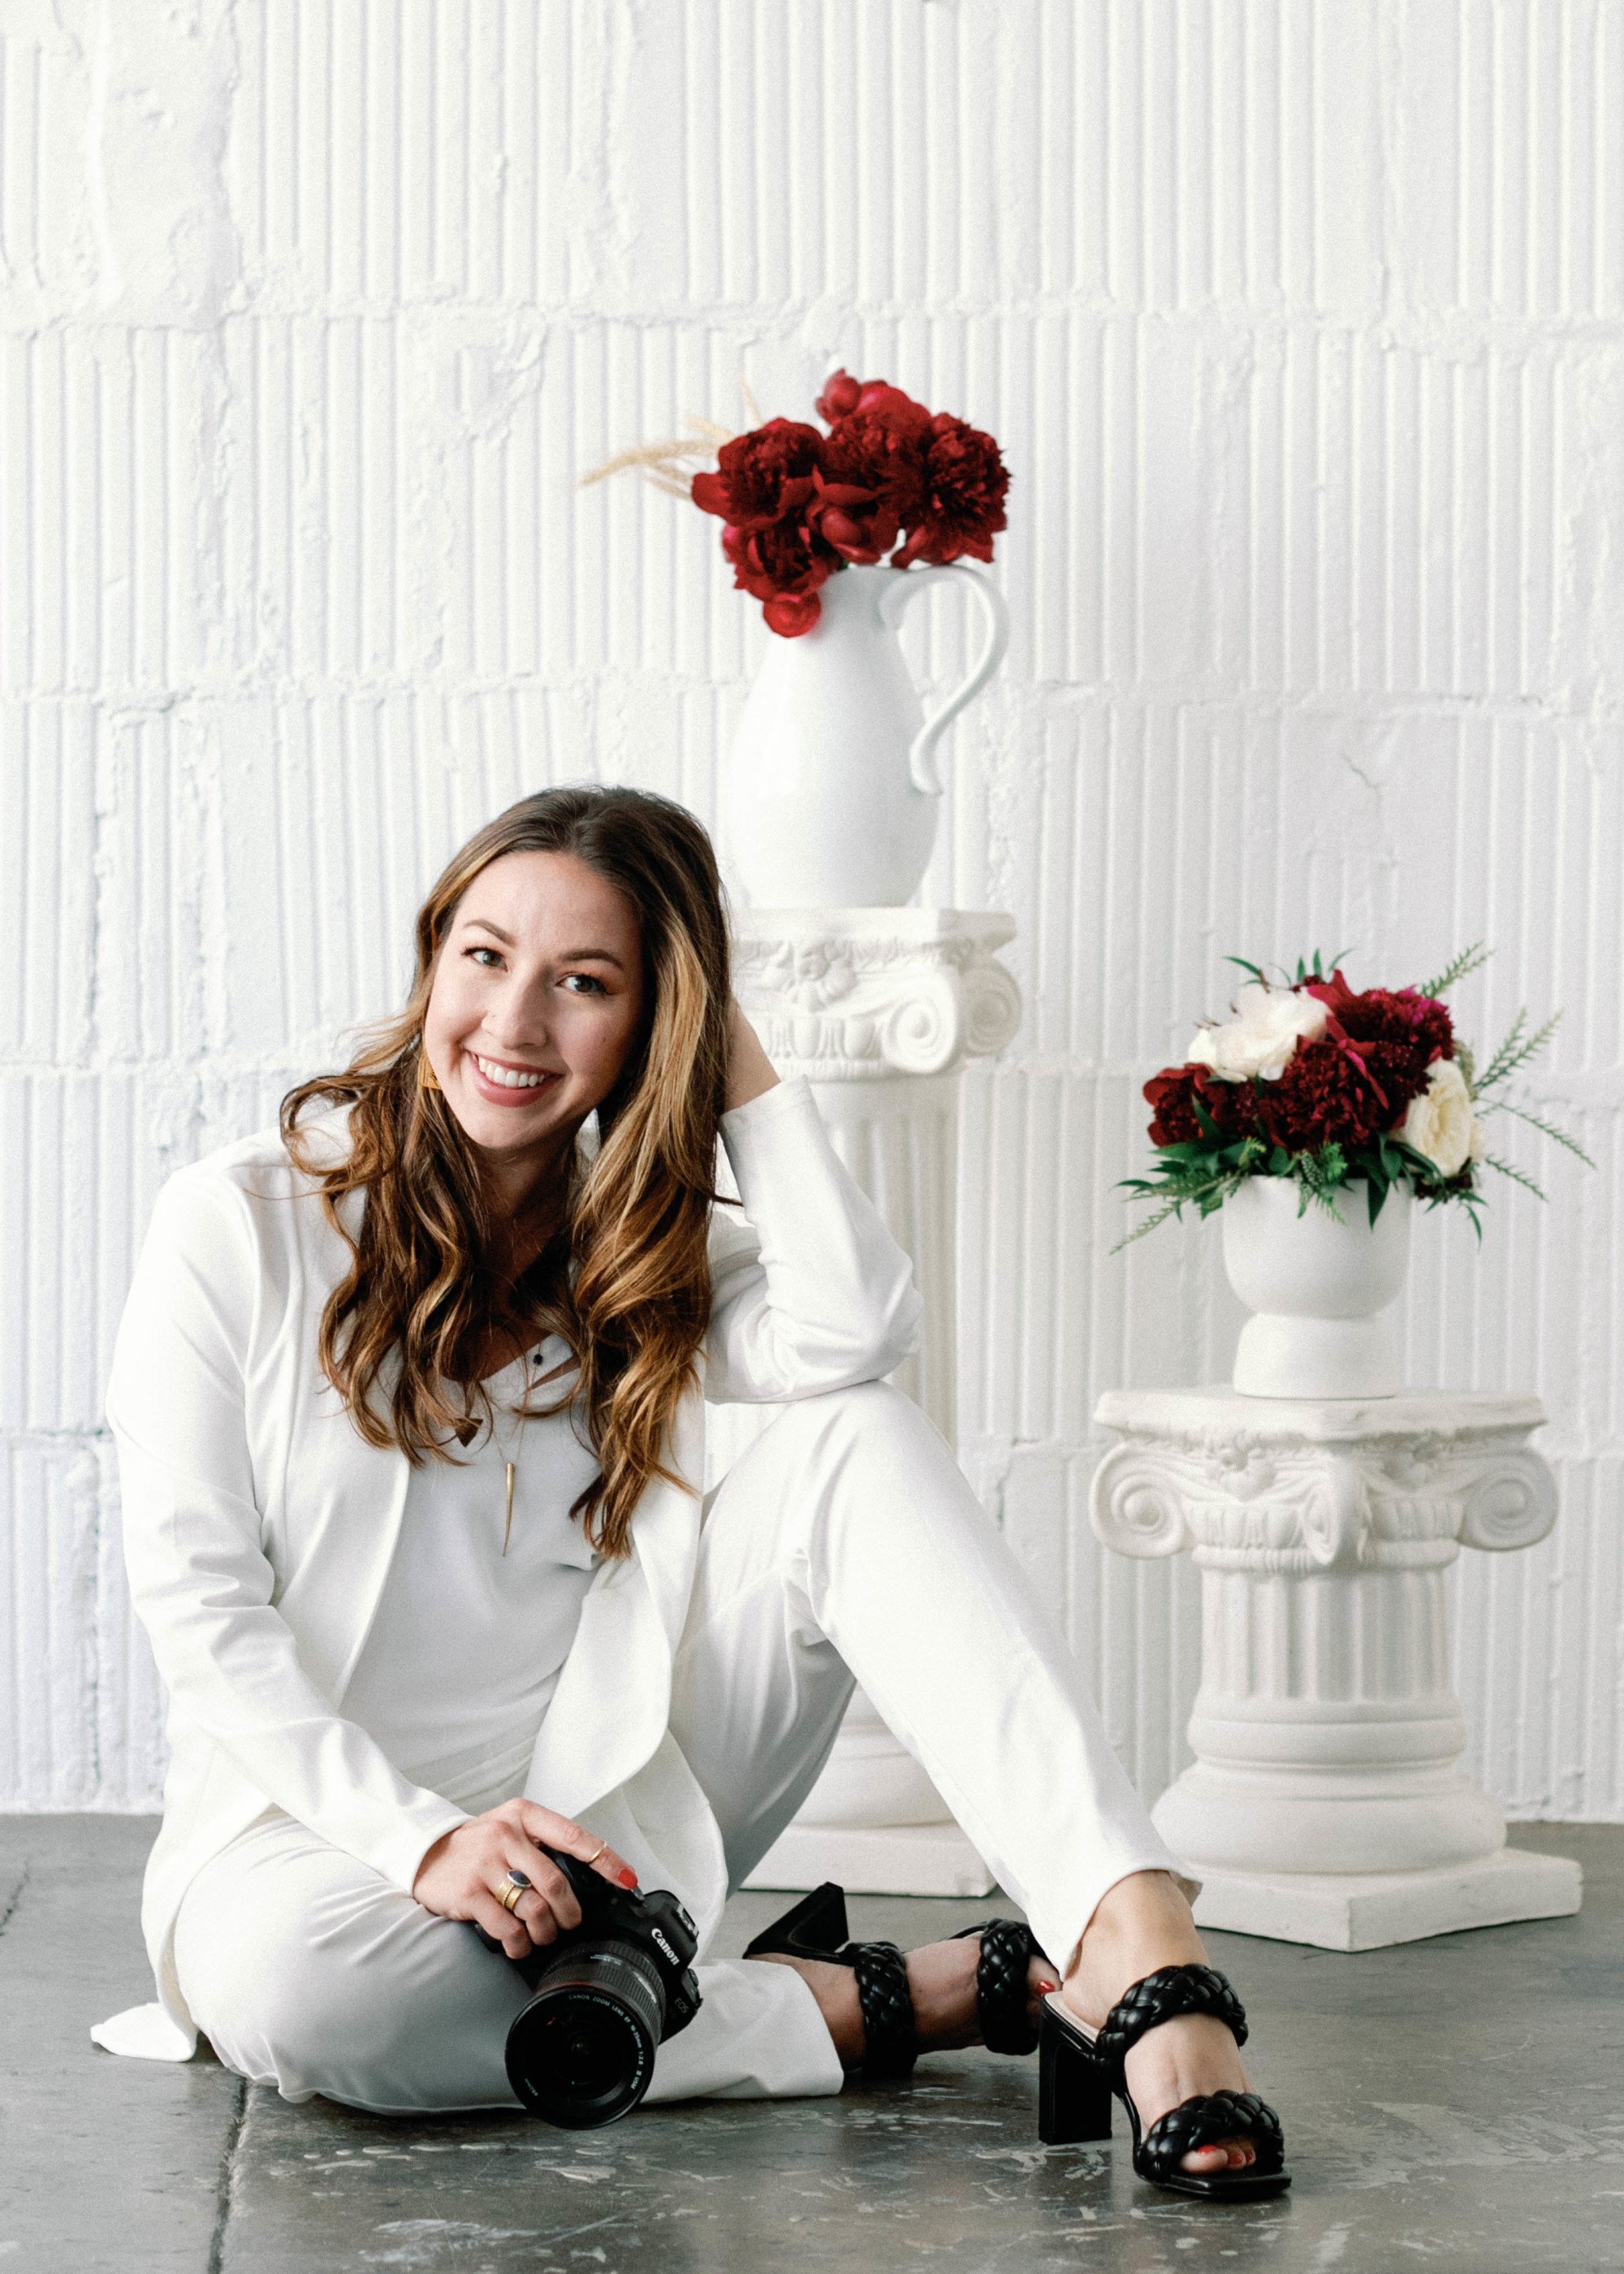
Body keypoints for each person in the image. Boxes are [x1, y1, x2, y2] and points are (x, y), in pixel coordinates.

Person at [91, 785, 1287, 2198]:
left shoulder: (648, 1264)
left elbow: (855, 1326)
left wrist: (738, 1069)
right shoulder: (241, 1226)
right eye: (483, 957)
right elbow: (201, 1613)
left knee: (853, 1435)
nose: (515, 1024)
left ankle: (1134, 1935)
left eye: (585, 983)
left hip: (609, 1805)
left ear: (658, 1022)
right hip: (312, 1841)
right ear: (431, 963)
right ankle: (909, 1997)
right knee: (310, 2008)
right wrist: (420, 1841)